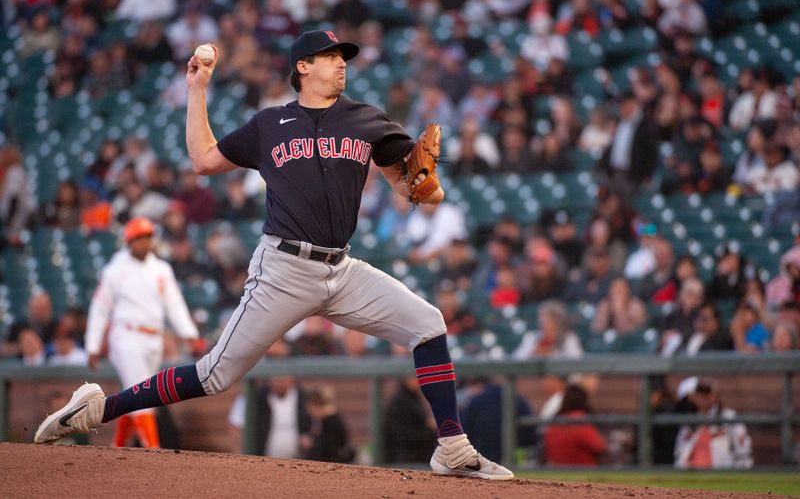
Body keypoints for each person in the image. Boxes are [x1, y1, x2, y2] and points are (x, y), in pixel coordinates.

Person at [35, 30, 513, 480]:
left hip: (341, 269)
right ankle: (98, 406)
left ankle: (452, 446)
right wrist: (197, 89)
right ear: (302, 66)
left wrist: (429, 187)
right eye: (330, 57)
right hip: (283, 269)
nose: (340, 63)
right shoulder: (270, 124)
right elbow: (203, 161)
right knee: (214, 375)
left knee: (428, 324)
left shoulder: (367, 119)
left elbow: (416, 188)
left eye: (343, 57)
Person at [82, 217, 199, 449]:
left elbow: (173, 303)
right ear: (129, 241)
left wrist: (188, 332)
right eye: (139, 239)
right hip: (126, 337)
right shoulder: (115, 269)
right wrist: (93, 345)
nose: (144, 243)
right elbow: (100, 308)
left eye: (147, 238)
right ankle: (152, 451)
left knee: (135, 396)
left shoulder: (161, 269)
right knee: (144, 400)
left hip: (154, 339)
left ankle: (119, 447)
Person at [674, 378, 753, 469]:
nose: (705, 397)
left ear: (715, 395)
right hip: (691, 475)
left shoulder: (728, 417)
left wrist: (740, 472)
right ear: (693, 397)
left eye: (708, 393)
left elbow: (743, 451)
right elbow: (679, 453)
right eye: (700, 393)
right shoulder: (689, 421)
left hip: (721, 473)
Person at [542, 384, 606, 466]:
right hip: (584, 470)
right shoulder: (580, 419)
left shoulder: (555, 421)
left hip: (557, 471)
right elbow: (600, 448)